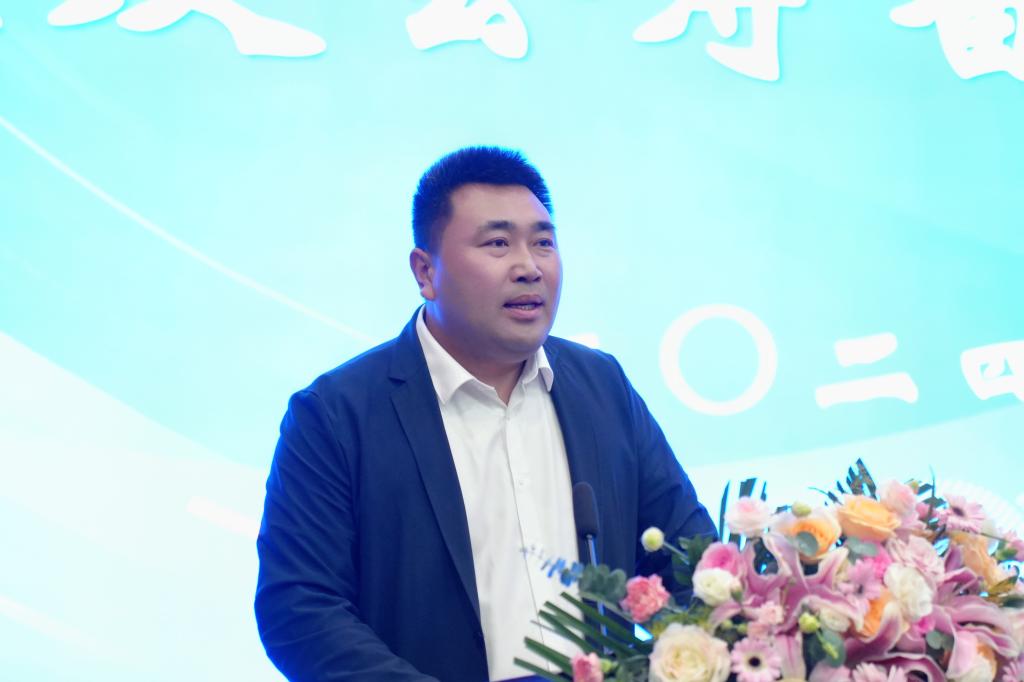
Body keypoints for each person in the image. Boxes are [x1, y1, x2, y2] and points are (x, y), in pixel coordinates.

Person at [255, 147, 716, 681]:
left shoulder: (601, 386)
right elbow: (302, 611)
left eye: (543, 243)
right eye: (498, 243)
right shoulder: (337, 415)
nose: (529, 267)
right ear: (425, 271)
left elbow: (691, 564)